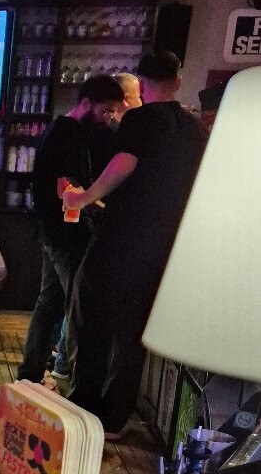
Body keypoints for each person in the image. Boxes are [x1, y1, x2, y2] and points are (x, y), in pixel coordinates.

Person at [63, 51, 207, 438]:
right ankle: (115, 419)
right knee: (133, 333)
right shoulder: (196, 129)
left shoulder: (140, 119)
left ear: (141, 84)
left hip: (120, 239)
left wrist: (83, 197)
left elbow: (122, 165)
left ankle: (84, 408)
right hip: (164, 246)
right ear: (178, 81)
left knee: (94, 320)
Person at [16, 75, 124, 384]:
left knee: (49, 304)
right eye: (105, 110)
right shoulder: (68, 134)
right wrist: (98, 203)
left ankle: (29, 376)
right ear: (86, 103)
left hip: (52, 232)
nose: (108, 118)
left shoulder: (62, 129)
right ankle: (76, 384)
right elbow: (66, 188)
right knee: (78, 308)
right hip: (66, 234)